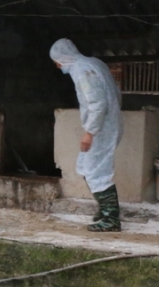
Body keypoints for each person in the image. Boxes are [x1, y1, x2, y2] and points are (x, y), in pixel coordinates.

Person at [49, 38, 123, 232]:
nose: (57, 66)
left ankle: (111, 218)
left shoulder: (82, 70)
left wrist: (90, 132)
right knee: (85, 167)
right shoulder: (94, 63)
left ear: (63, 57)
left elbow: (97, 103)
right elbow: (116, 92)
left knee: (96, 172)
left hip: (101, 129)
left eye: (56, 61)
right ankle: (105, 210)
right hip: (108, 125)